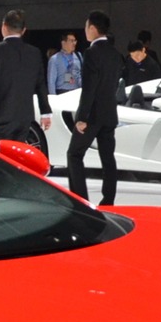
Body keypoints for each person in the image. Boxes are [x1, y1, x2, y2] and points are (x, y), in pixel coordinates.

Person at [67, 11, 125, 206]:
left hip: (92, 115)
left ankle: (79, 199)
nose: (85, 31)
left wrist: (81, 117)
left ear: (92, 28)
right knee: (108, 158)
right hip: (110, 113)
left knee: (74, 154)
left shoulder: (91, 53)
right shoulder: (115, 54)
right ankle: (108, 200)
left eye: (86, 27)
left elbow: (89, 88)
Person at [0, 9, 51, 148]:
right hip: (24, 117)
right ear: (23, 30)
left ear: (4, 26)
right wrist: (45, 112)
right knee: (16, 154)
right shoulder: (34, 53)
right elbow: (41, 84)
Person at [47, 33, 83, 98]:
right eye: (71, 41)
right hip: (62, 93)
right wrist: (53, 98)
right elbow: (51, 81)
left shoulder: (78, 56)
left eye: (75, 41)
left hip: (77, 92)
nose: (74, 43)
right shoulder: (54, 59)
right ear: (63, 43)